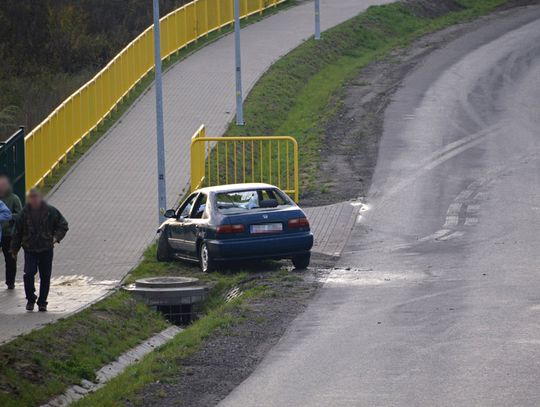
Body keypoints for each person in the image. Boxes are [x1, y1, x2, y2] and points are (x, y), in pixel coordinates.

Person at [11, 188, 68, 312]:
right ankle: (31, 299)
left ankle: (42, 302)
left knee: (45, 277)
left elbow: (63, 225)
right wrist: (14, 250)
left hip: (46, 249)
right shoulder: (24, 213)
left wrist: (55, 238)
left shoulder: (51, 211)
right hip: (30, 249)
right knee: (29, 274)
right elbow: (17, 232)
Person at [0, 176, 22, 289]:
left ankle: (10, 282)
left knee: (10, 259)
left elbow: (20, 215)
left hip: (10, 234)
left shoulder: (14, 199)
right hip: (1, 234)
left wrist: (9, 218)